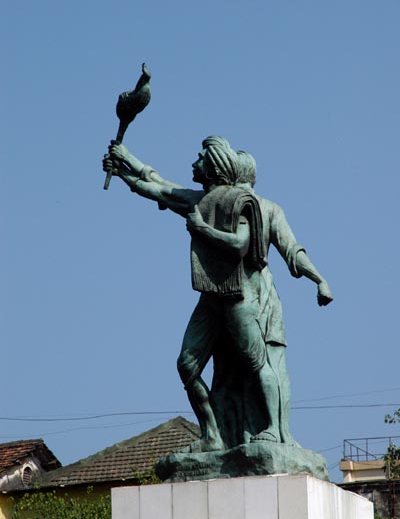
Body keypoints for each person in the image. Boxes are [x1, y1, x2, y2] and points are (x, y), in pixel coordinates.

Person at [103, 137, 333, 451]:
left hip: (249, 297)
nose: (195, 162)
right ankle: (215, 435)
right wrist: (124, 167)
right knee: (204, 367)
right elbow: (161, 188)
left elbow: (290, 251)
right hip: (215, 295)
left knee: (259, 365)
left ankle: (275, 430)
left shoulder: (253, 207)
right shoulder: (210, 200)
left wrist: (319, 280)